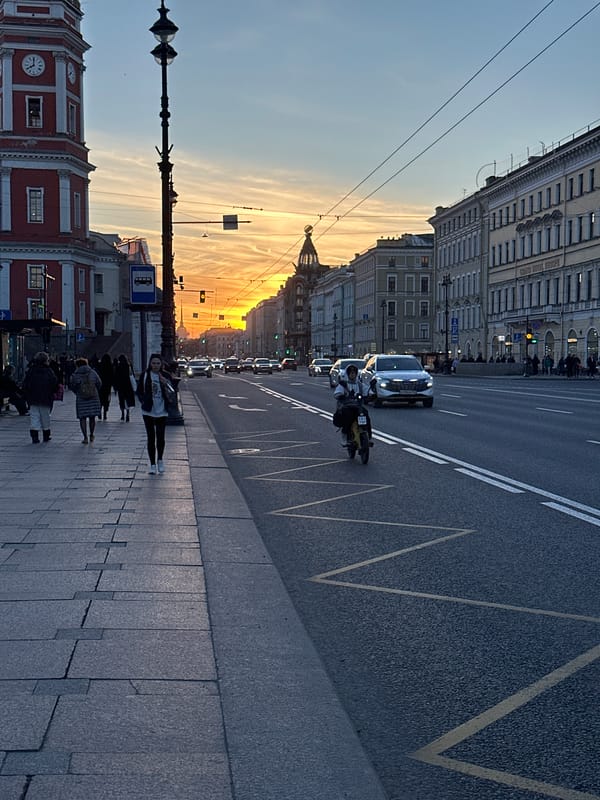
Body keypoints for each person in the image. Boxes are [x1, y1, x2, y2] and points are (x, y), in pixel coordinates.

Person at [137, 353, 179, 474]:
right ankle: (152, 464)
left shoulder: (165, 375)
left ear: (161, 364)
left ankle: (160, 460)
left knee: (160, 437)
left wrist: (165, 383)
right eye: (153, 363)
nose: (155, 365)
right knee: (151, 437)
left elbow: (172, 390)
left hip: (162, 410)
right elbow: (139, 391)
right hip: (148, 410)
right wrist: (143, 401)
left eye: (158, 363)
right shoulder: (145, 375)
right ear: (150, 364)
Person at [21, 351, 58, 443]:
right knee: (45, 417)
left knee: (34, 417)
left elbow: (26, 384)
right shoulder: (49, 371)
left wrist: (26, 395)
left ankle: (35, 436)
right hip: (46, 398)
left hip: (33, 398)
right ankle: (46, 435)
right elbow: (54, 384)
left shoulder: (31, 370)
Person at [333, 364, 372, 443]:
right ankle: (344, 434)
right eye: (350, 372)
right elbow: (337, 393)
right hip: (346, 406)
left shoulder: (360, 384)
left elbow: (368, 391)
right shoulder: (343, 384)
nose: (352, 374)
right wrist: (341, 395)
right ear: (347, 374)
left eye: (354, 372)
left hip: (357, 406)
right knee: (348, 416)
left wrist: (372, 392)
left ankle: (368, 434)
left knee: (365, 414)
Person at [69, 357, 102, 443]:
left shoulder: (75, 375)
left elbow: (72, 386)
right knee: (92, 417)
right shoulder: (92, 372)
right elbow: (99, 383)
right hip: (93, 397)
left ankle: (85, 437)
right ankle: (92, 434)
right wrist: (95, 390)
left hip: (81, 398)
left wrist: (77, 392)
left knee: (82, 418)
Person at [113, 354, 136, 421]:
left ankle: (122, 414)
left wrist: (115, 387)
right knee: (127, 400)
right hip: (128, 386)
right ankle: (128, 414)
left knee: (121, 401)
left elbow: (116, 377)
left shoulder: (118, 367)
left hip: (121, 387)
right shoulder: (129, 366)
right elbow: (132, 375)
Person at [97, 353, 114, 420]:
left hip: (101, 386)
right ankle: (105, 413)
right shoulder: (110, 366)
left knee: (100, 400)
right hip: (107, 386)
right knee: (106, 400)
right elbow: (112, 376)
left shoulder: (100, 365)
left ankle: (99, 412)